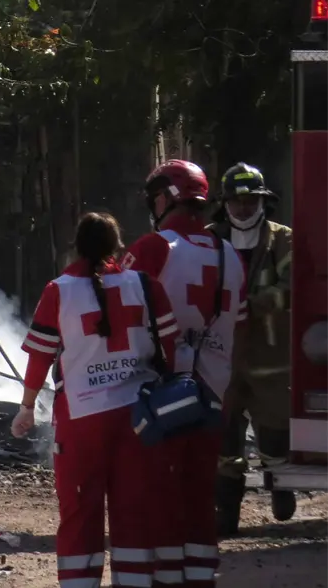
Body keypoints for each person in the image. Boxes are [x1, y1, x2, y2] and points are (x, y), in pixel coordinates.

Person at [13, 212, 179, 588]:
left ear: (77, 246)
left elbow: (40, 357)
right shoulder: (146, 285)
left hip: (81, 421)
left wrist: (26, 408)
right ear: (118, 247)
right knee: (134, 513)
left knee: (79, 514)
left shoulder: (58, 290)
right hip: (139, 419)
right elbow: (170, 347)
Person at [121, 160, 248, 588]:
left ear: (164, 198)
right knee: (198, 498)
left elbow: (117, 312)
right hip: (213, 394)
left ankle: (166, 580)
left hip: (162, 396)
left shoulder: (154, 247)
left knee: (158, 494)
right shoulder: (230, 255)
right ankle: (199, 579)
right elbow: (241, 328)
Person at [208, 162, 295, 534]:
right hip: (222, 359)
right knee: (224, 440)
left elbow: (296, 285)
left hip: (269, 358)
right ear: (225, 203)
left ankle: (280, 485)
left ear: (263, 202)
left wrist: (255, 303)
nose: (243, 208)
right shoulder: (210, 239)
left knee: (275, 434)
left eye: (251, 201)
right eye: (236, 201)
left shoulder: (282, 239)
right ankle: (226, 514)